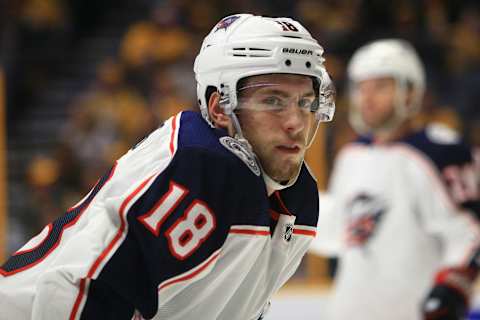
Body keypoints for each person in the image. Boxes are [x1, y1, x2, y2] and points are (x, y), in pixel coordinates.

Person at [0, 14, 335, 320]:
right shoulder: (202, 168)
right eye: (273, 101)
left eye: (306, 103)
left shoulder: (298, 199)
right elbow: (75, 288)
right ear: (220, 109)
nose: (296, 122)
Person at [309, 38, 480, 320]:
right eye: (361, 87)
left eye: (380, 86)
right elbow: (339, 232)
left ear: (411, 92)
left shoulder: (439, 152)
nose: (367, 97)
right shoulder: (352, 154)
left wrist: (451, 290)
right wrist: (288, 207)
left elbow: (468, 235)